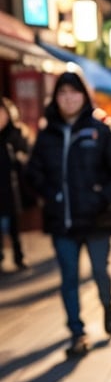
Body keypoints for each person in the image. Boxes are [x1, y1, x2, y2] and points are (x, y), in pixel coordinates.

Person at [25, 69, 111, 356]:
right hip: (62, 221)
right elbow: (32, 173)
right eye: (63, 92)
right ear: (55, 97)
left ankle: (107, 305)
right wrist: (52, 194)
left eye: (74, 92)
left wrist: (103, 197)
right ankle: (77, 333)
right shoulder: (48, 133)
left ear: (84, 95)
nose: (69, 98)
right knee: (69, 279)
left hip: (97, 219)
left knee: (100, 271)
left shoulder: (100, 129)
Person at [0, 96, 30, 271]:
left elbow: (27, 158)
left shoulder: (16, 133)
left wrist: (18, 158)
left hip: (12, 187)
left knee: (13, 226)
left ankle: (18, 257)